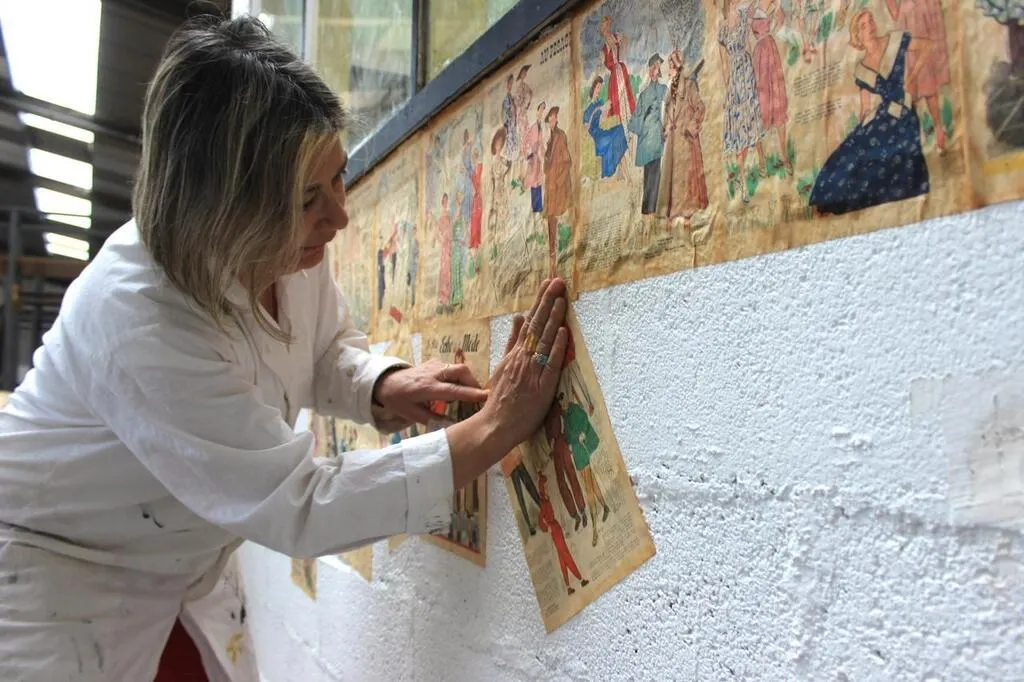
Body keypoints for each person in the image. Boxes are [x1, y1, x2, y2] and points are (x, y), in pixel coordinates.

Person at [0, 14, 570, 682]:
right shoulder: (134, 316)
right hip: (60, 581)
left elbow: (323, 346)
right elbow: (301, 503)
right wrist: (495, 429)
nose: (340, 217)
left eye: (338, 179)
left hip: (183, 562)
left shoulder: (282, 244)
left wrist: (379, 384)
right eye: (307, 200)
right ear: (223, 210)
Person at [808, 9, 933, 216]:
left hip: (903, 115)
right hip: (883, 115)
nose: (871, 27)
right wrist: (859, 132)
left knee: (886, 159)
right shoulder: (861, 69)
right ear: (857, 35)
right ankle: (827, 203)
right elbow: (865, 107)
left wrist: (911, 78)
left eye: (871, 21)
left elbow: (928, 46)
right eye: (864, 26)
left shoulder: (895, 41)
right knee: (849, 153)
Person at [628, 54, 668, 215]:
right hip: (648, 137)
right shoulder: (644, 93)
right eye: (652, 67)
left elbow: (668, 109)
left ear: (659, 70)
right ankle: (649, 209)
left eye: (657, 67)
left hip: (654, 135)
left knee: (653, 172)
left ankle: (650, 208)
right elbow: (637, 116)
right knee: (650, 173)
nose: (654, 70)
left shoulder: (662, 89)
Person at [543, 106, 572, 277]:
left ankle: (559, 261)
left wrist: (559, 181)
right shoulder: (549, 140)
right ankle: (552, 263)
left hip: (558, 186)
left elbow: (567, 161)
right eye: (550, 118)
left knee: (560, 219)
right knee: (550, 221)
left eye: (554, 116)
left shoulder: (561, 136)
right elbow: (546, 167)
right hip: (550, 186)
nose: (553, 119)